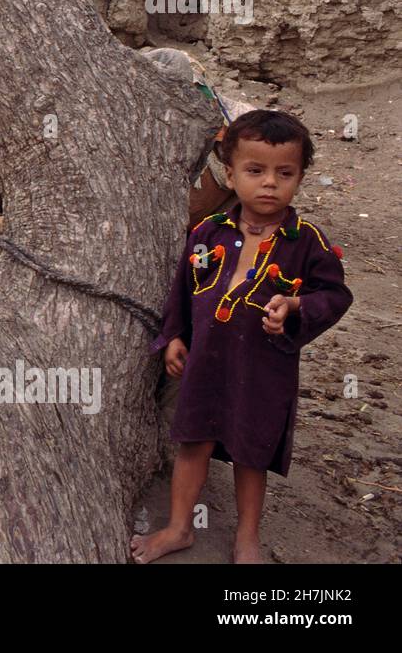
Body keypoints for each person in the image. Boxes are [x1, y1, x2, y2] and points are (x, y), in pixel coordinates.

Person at [131, 109, 353, 564]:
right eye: (255, 170)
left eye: (284, 173)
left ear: (300, 178)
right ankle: (178, 528)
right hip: (205, 361)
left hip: (264, 367)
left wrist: (296, 307)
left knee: (252, 452)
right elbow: (183, 288)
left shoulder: (306, 242)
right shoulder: (208, 232)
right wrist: (174, 336)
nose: (269, 183)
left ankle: (246, 538)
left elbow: (335, 294)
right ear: (230, 175)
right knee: (193, 441)